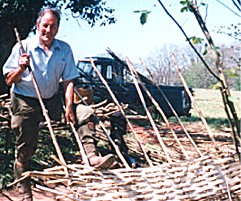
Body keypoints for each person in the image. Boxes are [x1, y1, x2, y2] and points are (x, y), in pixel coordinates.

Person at [2, 8, 115, 200]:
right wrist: (21, 68)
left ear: (57, 28)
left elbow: (69, 81)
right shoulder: (23, 47)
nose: (48, 30)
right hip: (25, 99)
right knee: (26, 146)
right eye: (45, 25)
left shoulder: (64, 49)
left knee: (85, 112)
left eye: (52, 26)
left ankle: (92, 156)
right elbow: (9, 81)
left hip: (52, 99)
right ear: (38, 26)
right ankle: (24, 190)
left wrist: (69, 107)